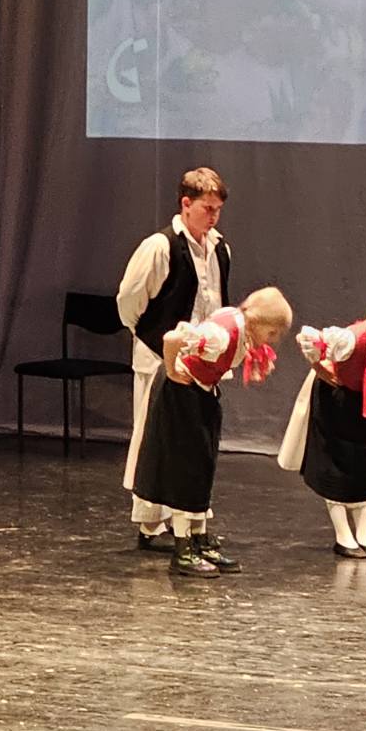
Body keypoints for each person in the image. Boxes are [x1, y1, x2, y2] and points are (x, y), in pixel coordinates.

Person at [133, 287, 292, 578]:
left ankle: (199, 539)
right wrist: (172, 371)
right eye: (271, 334)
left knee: (202, 466)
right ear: (257, 322)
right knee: (186, 470)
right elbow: (172, 338)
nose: (272, 341)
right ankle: (183, 550)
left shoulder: (238, 325)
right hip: (181, 393)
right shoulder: (223, 334)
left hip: (199, 392)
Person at [117, 167, 230, 551]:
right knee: (153, 437)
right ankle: (150, 521)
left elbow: (215, 300)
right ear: (186, 203)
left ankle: (187, 516)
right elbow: (130, 301)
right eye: (207, 208)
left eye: (217, 209)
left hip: (202, 365)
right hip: (160, 358)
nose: (213, 216)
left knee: (191, 441)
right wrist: (154, 342)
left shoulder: (219, 248)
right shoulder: (162, 246)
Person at [278, 291, 366, 557]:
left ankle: (363, 533)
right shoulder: (350, 340)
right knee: (337, 466)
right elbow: (308, 340)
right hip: (338, 400)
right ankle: (344, 535)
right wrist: (320, 368)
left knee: (363, 465)